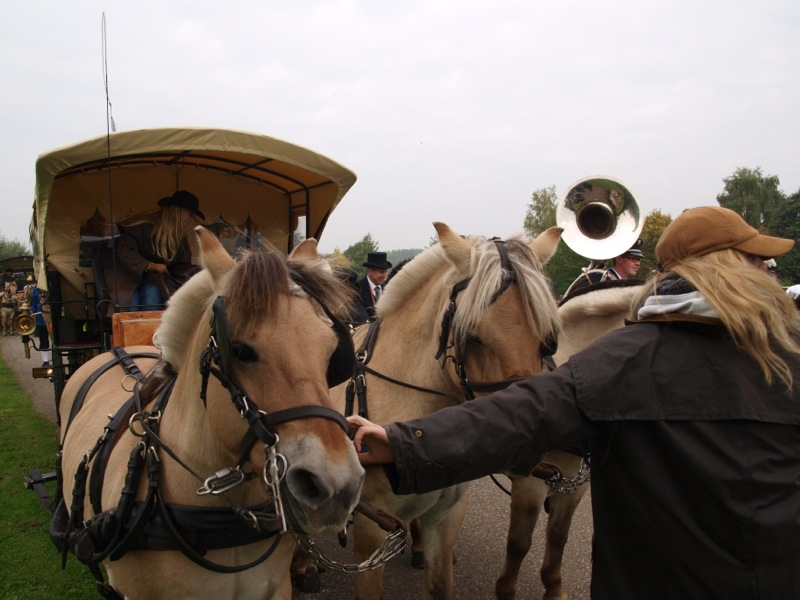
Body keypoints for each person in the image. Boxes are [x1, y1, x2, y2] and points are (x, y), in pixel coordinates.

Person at [348, 206, 800, 599]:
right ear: (720, 266)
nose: (767, 270)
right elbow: (525, 410)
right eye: (755, 259)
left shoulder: (780, 350)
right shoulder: (630, 355)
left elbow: (526, 410)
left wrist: (406, 445)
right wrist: (404, 443)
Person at [112, 190, 204, 312]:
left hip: (155, 279)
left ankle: (150, 330)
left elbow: (182, 268)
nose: (192, 219)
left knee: (152, 293)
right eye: (190, 214)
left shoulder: (180, 240)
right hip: (126, 274)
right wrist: (148, 266)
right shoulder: (142, 226)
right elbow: (125, 250)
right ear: (176, 210)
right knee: (129, 302)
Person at [564, 239, 644, 297]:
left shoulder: (628, 285)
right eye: (633, 259)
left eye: (639, 259)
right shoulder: (598, 278)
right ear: (619, 259)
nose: (638, 263)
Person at [358, 251, 392, 319]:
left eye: (385, 272)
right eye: (381, 272)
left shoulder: (388, 289)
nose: (384, 276)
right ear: (370, 272)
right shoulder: (358, 289)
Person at [27, 278, 51, 365]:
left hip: (52, 316)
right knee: (43, 339)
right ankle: (45, 360)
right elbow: (34, 303)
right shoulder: (35, 291)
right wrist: (32, 313)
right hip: (41, 318)